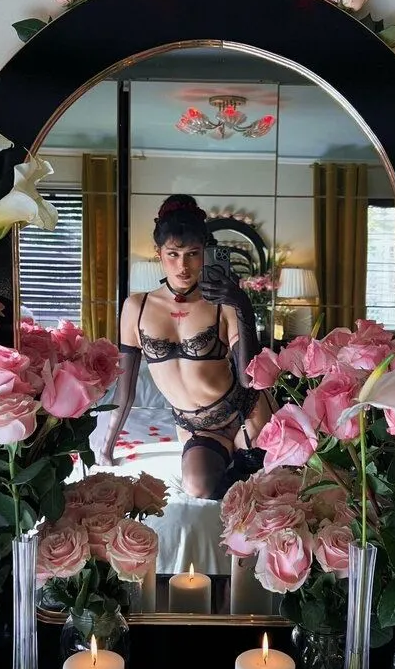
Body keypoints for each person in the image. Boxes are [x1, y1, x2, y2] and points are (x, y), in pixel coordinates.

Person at [97, 194, 274, 500]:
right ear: (158, 253)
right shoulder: (136, 308)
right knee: (197, 486)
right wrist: (107, 447)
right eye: (173, 254)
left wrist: (242, 305)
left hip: (247, 410)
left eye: (193, 253)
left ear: (205, 252)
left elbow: (249, 378)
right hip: (197, 426)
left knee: (264, 488)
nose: (183, 265)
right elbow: (125, 391)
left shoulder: (223, 303)